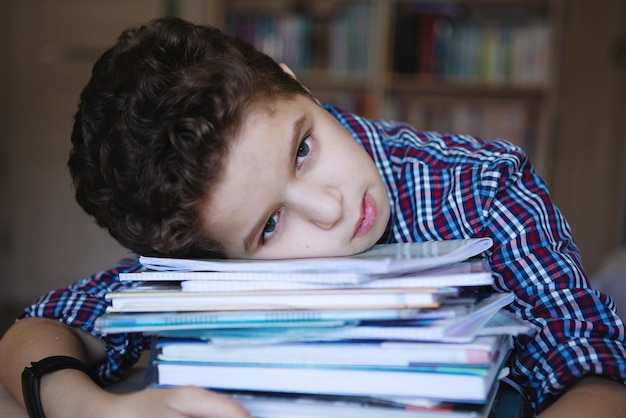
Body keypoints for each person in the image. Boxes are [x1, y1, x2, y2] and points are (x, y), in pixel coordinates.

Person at [1, 17, 625, 418]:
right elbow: (38, 328)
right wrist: (87, 409)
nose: (332, 208)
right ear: (214, 262)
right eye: (270, 227)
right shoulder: (207, 252)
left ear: (299, 87)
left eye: (303, 148)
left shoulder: (478, 185)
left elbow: (589, 365)